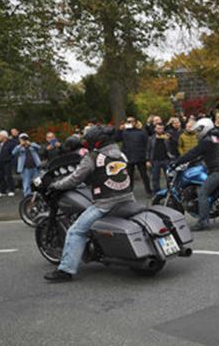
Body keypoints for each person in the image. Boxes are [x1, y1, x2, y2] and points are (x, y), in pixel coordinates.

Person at [44, 126, 135, 282]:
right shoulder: (121, 154)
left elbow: (75, 178)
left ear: (96, 142)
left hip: (106, 203)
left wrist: (56, 185)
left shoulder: (93, 157)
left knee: (76, 231)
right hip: (128, 199)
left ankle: (66, 270)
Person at [170, 118, 219, 231]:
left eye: (198, 130)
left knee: (202, 192)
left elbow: (193, 153)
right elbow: (214, 152)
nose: (197, 133)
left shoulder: (206, 141)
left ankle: (203, 222)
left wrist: (177, 162)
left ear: (204, 128)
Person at [119, 117, 152, 195]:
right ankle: (130, 192)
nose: (129, 123)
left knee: (144, 175)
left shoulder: (141, 132)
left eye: (131, 121)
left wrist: (147, 158)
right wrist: (119, 130)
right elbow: (116, 138)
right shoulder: (124, 132)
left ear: (135, 122)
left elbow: (146, 145)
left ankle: (149, 191)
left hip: (140, 157)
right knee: (129, 176)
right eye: (128, 121)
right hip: (129, 156)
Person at [147, 123, 174, 193]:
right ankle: (156, 192)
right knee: (155, 178)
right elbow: (148, 149)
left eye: (161, 128)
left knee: (169, 177)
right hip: (155, 160)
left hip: (166, 159)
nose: (160, 130)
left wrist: (170, 138)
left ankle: (170, 191)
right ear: (155, 129)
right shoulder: (151, 138)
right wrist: (147, 160)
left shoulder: (167, 137)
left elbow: (173, 145)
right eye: (158, 128)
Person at [0, 131, 16, 197]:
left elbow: (13, 153)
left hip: (7, 162)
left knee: (8, 176)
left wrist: (8, 159)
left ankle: (11, 190)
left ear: (4, 137)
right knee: (0, 176)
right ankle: (2, 190)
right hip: (0, 162)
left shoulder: (10, 143)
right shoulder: (0, 143)